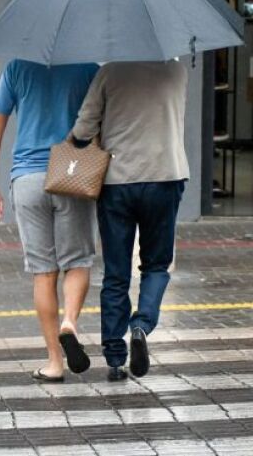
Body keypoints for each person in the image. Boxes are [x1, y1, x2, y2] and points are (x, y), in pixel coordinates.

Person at [72, 60, 188, 382]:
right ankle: (142, 325)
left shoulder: (109, 71)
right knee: (156, 265)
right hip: (165, 176)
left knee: (116, 273)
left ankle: (114, 358)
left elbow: (83, 129)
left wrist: (83, 140)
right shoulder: (177, 71)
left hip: (116, 181)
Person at [0, 58, 98, 382]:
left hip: (28, 178)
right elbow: (103, 121)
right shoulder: (88, 68)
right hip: (72, 173)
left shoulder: (18, 68)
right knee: (77, 261)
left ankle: (53, 362)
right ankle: (70, 323)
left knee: (43, 272)